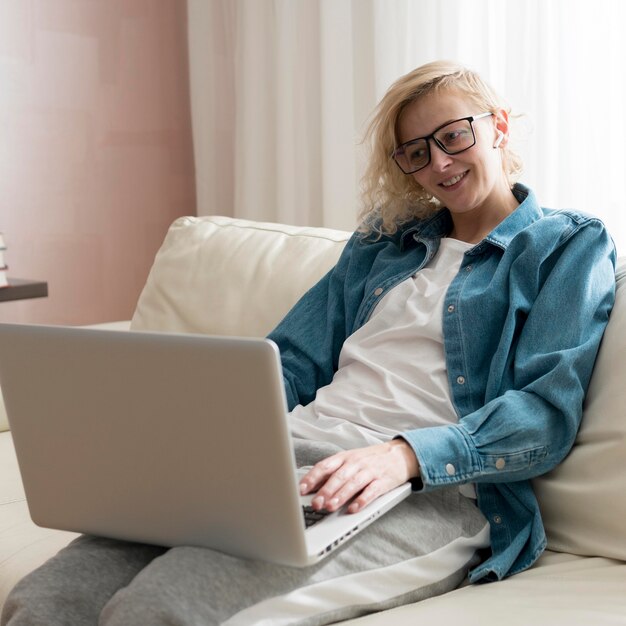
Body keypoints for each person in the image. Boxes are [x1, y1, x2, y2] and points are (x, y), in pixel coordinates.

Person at [2, 60, 616, 626]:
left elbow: (544, 415)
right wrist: (188, 438)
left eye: (454, 137)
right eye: (416, 152)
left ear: (498, 127)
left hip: (425, 489)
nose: (439, 164)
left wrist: (400, 456)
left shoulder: (566, 246)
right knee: (45, 602)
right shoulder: (385, 243)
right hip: (283, 461)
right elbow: (291, 359)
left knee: (162, 608)